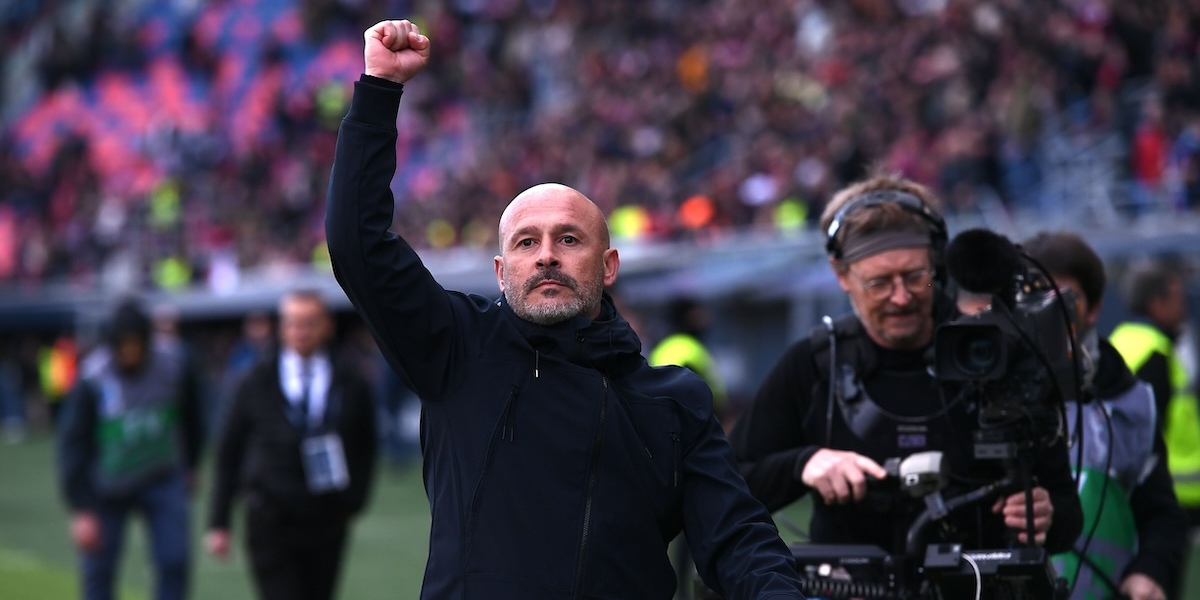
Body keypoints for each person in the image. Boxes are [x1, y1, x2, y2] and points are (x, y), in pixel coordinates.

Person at [324, 20, 805, 600]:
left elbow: (736, 538)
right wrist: (379, 91)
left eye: (569, 239)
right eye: (526, 242)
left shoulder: (673, 401)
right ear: (501, 273)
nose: (547, 255)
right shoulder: (458, 348)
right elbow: (357, 243)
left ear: (609, 266)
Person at [728, 175, 1083, 559]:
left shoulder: (997, 354)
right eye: (879, 283)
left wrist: (1046, 516)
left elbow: (1067, 513)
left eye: (915, 277)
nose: (901, 298)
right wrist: (803, 464)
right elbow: (729, 485)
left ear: (937, 263)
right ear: (841, 274)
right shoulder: (815, 365)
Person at [1017, 232, 1185, 600]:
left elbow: (1160, 513)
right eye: (1034, 297)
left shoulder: (1129, 399)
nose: (1048, 313)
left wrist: (1150, 570)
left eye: (1064, 300)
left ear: (1094, 309)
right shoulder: (982, 394)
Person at [205, 290, 378, 600]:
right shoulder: (255, 379)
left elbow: (366, 443)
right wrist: (219, 521)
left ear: (328, 326)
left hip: (326, 515)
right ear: (282, 327)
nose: (301, 331)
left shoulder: (350, 379)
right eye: (293, 323)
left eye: (310, 323)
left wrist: (354, 499)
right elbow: (229, 450)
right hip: (270, 515)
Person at [56, 297, 205, 600]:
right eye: (124, 346)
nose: (131, 353)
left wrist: (192, 463)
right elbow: (73, 442)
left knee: (175, 561)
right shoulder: (93, 377)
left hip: (163, 476)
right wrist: (82, 508)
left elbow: (193, 416)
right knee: (98, 572)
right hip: (107, 486)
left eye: (137, 345)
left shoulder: (174, 366)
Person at [1109, 260, 1200, 529]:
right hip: (1173, 491)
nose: (1183, 307)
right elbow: (1150, 432)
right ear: (1156, 304)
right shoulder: (1155, 352)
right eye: (1176, 298)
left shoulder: (1120, 340)